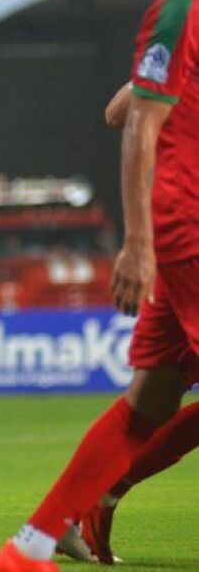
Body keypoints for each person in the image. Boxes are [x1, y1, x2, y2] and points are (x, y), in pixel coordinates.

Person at [0, 0, 199, 571]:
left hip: (181, 230)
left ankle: (33, 543)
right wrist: (136, 243)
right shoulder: (183, 7)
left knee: (150, 401)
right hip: (189, 226)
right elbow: (129, 118)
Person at [52, 81, 199, 566]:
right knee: (149, 399)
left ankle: (77, 507)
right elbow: (119, 113)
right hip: (187, 246)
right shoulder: (180, 49)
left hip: (177, 246)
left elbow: (119, 112)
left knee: (151, 399)